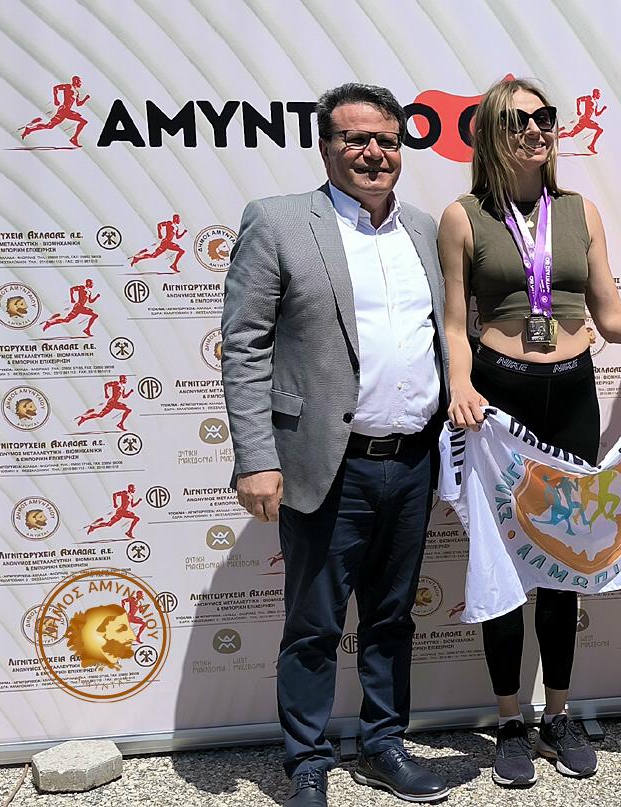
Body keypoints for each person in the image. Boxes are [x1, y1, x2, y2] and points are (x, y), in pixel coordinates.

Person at [436, 76, 621, 789]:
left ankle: (558, 714)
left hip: (571, 396)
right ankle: (509, 719)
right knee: (503, 566)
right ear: (491, 132)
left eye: (545, 118)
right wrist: (461, 385)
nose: (537, 130)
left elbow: (611, 317)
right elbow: (455, 323)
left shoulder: (580, 211)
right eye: (520, 121)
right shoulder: (462, 217)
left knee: (567, 558)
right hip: (498, 402)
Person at [221, 83, 453, 807]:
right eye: (356, 139)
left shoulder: (423, 230)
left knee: (392, 617)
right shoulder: (279, 222)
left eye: (387, 140)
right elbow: (244, 345)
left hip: (412, 460)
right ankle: (307, 759)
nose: (373, 152)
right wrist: (256, 457)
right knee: (314, 624)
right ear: (325, 147)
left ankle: (384, 742)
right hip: (327, 464)